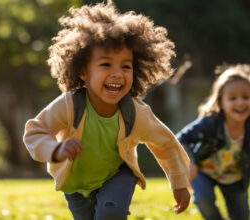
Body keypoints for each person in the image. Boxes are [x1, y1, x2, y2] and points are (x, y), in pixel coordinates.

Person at [23, 1, 190, 219]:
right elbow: (35, 131)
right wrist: (56, 149)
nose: (117, 74)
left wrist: (178, 182)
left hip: (117, 174)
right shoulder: (70, 105)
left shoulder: (135, 112)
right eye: (105, 65)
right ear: (83, 72)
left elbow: (165, 143)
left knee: (111, 212)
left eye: (126, 66)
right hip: (76, 183)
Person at [176, 64, 250, 220]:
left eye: (246, 97)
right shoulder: (211, 122)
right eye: (232, 98)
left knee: (241, 216)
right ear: (221, 102)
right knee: (204, 200)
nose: (240, 102)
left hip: (235, 177)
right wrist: (188, 162)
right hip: (203, 171)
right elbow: (180, 139)